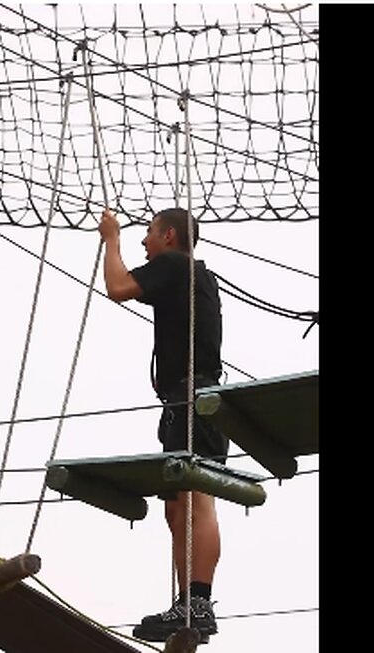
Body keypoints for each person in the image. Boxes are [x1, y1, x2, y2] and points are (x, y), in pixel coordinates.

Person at [99, 206, 227, 643]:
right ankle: (188, 603)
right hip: (184, 398)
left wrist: (111, 238)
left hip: (195, 396)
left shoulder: (174, 264)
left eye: (149, 233)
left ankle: (199, 605)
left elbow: (117, 287)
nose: (144, 241)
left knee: (194, 500)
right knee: (176, 508)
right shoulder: (191, 273)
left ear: (169, 236)